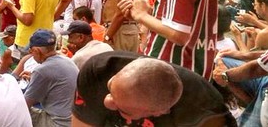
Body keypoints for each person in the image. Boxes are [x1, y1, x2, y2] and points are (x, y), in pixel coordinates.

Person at [73, 51, 235, 126]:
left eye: (124, 110)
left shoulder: (203, 110)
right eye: (110, 87)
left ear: (161, 111)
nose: (107, 102)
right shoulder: (99, 70)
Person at [24, 29, 78, 127]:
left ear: (36, 51)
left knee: (15, 110)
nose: (31, 54)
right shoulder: (68, 61)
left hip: (57, 123)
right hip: (73, 120)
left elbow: (25, 104)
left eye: (31, 51)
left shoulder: (41, 70)